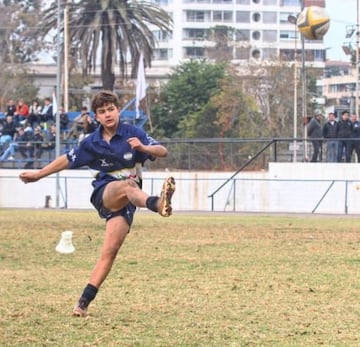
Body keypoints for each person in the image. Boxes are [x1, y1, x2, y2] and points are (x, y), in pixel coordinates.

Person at [19, 90, 176, 317]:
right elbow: (66, 159)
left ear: (118, 110)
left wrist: (143, 148)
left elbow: (162, 150)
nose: (108, 114)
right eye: (102, 112)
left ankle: (82, 304)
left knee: (110, 251)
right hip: (105, 192)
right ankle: (157, 203)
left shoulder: (133, 133)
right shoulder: (91, 142)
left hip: (130, 201)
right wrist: (38, 174)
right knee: (127, 186)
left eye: (111, 109)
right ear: (96, 117)